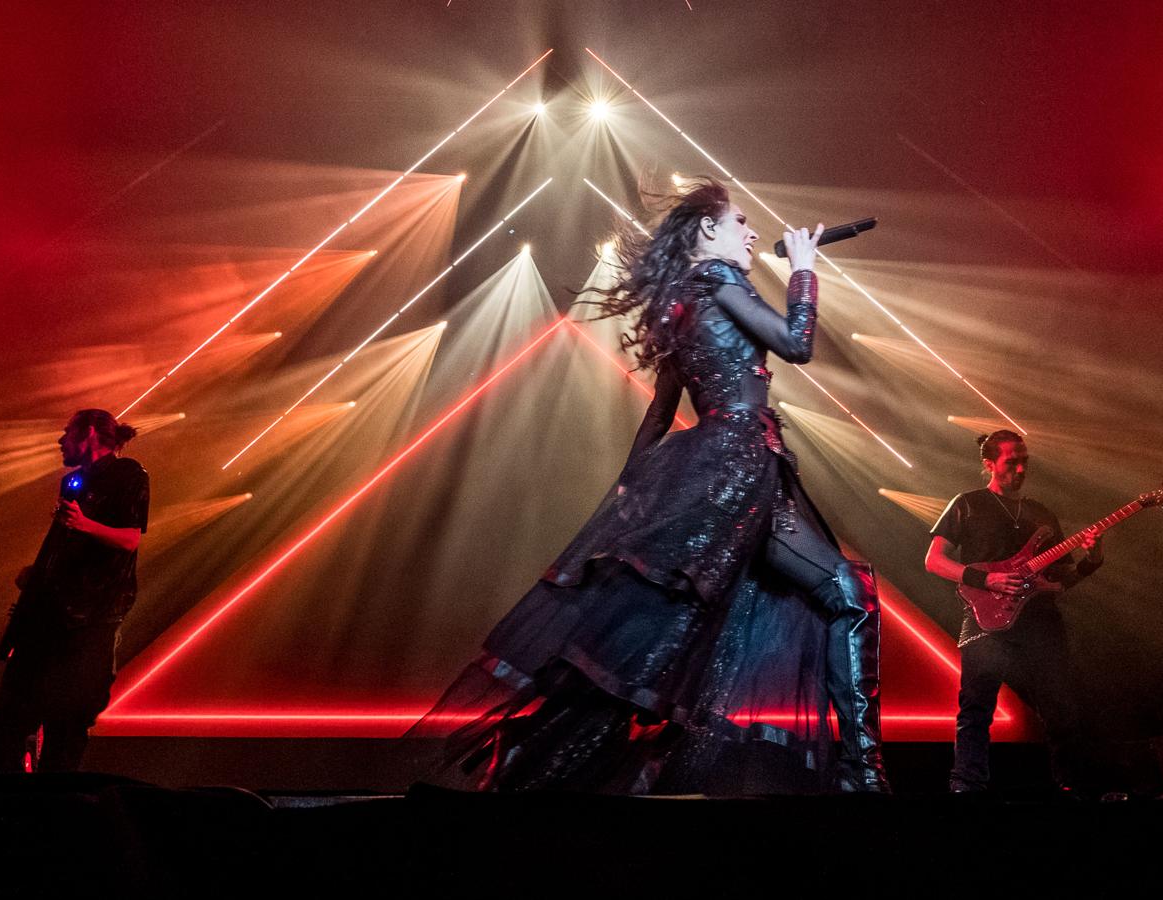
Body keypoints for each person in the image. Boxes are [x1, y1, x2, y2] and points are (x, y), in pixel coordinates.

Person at [409, 178, 888, 793]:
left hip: (716, 469)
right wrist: (802, 270)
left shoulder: (676, 303)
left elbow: (660, 414)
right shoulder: (718, 278)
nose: (750, 232)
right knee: (816, 602)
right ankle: (862, 776)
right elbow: (795, 344)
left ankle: (532, 746)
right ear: (708, 231)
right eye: (739, 221)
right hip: (739, 468)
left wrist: (631, 492)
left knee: (669, 640)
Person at [924, 430, 1102, 793]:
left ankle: (1072, 788)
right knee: (975, 709)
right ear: (989, 464)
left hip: (1040, 621)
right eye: (1011, 462)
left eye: (1024, 461)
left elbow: (1061, 581)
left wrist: (1092, 560)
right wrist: (984, 580)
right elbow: (934, 561)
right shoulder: (968, 503)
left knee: (1061, 709)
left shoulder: (1042, 513)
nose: (1020, 469)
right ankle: (967, 787)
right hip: (985, 620)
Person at [0, 409, 149, 774]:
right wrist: (41, 574)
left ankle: (55, 810)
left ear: (89, 432)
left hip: (91, 618)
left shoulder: (128, 474)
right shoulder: (72, 481)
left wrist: (84, 524)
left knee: (68, 721)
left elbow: (129, 539)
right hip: (50, 614)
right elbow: (72, 546)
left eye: (67, 432)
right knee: (9, 716)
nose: (60, 440)